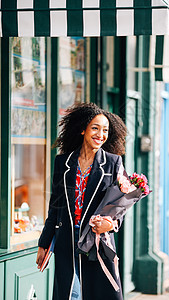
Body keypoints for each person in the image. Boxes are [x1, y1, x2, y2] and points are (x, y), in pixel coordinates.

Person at [36, 103, 127, 300]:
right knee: (70, 293)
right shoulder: (63, 162)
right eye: (95, 128)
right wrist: (44, 243)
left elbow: (121, 205)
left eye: (105, 130)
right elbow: (55, 208)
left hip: (96, 243)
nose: (100, 134)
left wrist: (111, 224)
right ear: (83, 129)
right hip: (66, 241)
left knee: (99, 293)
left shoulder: (113, 163)